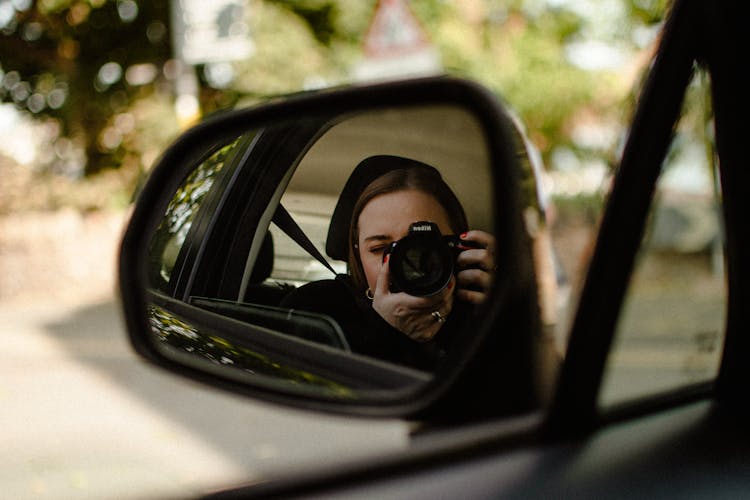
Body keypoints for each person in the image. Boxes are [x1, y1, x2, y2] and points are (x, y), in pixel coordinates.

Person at [281, 155, 496, 371]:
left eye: (422, 246)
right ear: (358, 255)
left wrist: (507, 302)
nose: (403, 262)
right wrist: (386, 333)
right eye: (380, 249)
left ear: (458, 245)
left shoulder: (481, 309)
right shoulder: (317, 311)